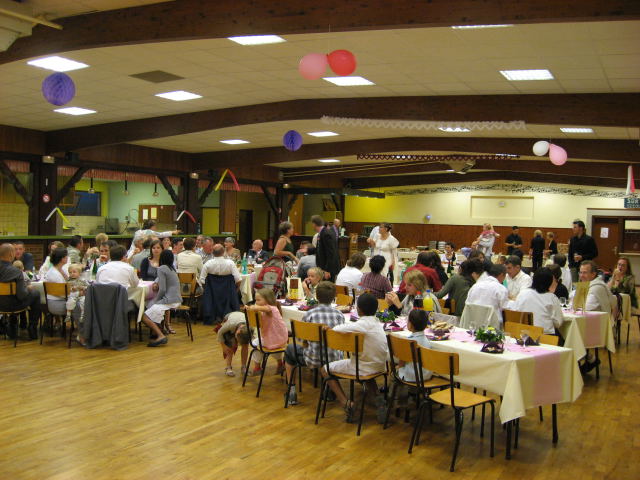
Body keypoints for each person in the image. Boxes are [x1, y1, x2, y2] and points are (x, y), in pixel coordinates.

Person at [320, 293, 389, 424]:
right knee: (365, 371)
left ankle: (346, 403)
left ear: (359, 310)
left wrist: (329, 328)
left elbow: (338, 329)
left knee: (324, 369)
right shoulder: (376, 323)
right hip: (380, 366)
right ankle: (379, 401)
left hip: (363, 367)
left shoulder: (361, 325)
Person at [284, 281, 345, 406]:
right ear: (334, 297)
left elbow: (302, 340)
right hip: (334, 359)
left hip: (314, 359)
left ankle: (291, 391)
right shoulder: (340, 315)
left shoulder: (309, 314)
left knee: (290, 349)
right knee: (327, 350)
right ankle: (329, 390)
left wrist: (308, 345)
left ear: (316, 296)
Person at [0, 243, 40, 339]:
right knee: (35, 294)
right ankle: (32, 328)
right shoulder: (16, 271)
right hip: (12, 305)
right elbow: (22, 295)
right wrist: (27, 288)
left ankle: (12, 326)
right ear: (11, 255)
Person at [142, 250, 182, 346]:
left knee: (145, 317)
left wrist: (157, 300)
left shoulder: (161, 268)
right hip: (176, 299)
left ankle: (160, 336)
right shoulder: (172, 269)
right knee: (152, 309)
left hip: (169, 300)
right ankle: (158, 331)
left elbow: (162, 289)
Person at [247, 288, 288, 376]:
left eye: (258, 300)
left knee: (255, 344)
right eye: (255, 300)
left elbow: (265, 308)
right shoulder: (265, 310)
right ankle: (280, 363)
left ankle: (257, 367)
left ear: (267, 299)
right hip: (277, 337)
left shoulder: (272, 308)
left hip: (275, 338)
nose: (256, 302)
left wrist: (254, 307)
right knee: (264, 345)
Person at [513, 267, 563, 334]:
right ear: (550, 282)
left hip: (522, 334)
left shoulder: (522, 293)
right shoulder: (551, 298)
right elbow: (558, 323)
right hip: (544, 336)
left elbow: (516, 312)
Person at [44, 248, 81, 328]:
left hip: (55, 301)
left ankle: (82, 328)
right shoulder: (55, 274)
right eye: (66, 256)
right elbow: (64, 293)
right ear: (62, 259)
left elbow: (68, 283)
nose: (67, 257)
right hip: (56, 304)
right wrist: (79, 293)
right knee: (80, 304)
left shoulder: (57, 270)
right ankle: (82, 330)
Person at [397, 309, 432, 383]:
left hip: (411, 376)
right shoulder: (428, 341)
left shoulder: (408, 342)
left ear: (410, 325)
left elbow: (402, 362)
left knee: (395, 373)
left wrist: (399, 369)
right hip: (426, 375)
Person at [218, 311, 251, 377]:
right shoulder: (230, 324)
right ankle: (228, 367)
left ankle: (244, 366)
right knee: (230, 345)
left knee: (245, 345)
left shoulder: (249, 326)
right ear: (237, 332)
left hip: (240, 318)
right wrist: (223, 346)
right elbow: (220, 333)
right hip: (229, 317)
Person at [65, 263, 89, 342]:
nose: (72, 274)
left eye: (74, 272)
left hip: (81, 298)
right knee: (73, 304)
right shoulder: (68, 281)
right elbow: (68, 291)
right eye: (70, 272)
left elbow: (87, 287)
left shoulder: (82, 280)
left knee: (85, 303)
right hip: (73, 298)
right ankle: (69, 315)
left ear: (79, 273)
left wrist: (83, 288)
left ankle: (87, 330)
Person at [312, 215, 340, 281]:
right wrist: (308, 250)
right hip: (323, 268)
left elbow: (331, 253)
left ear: (314, 224)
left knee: (327, 286)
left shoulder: (326, 234)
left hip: (328, 269)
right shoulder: (322, 232)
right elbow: (321, 249)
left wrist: (327, 270)